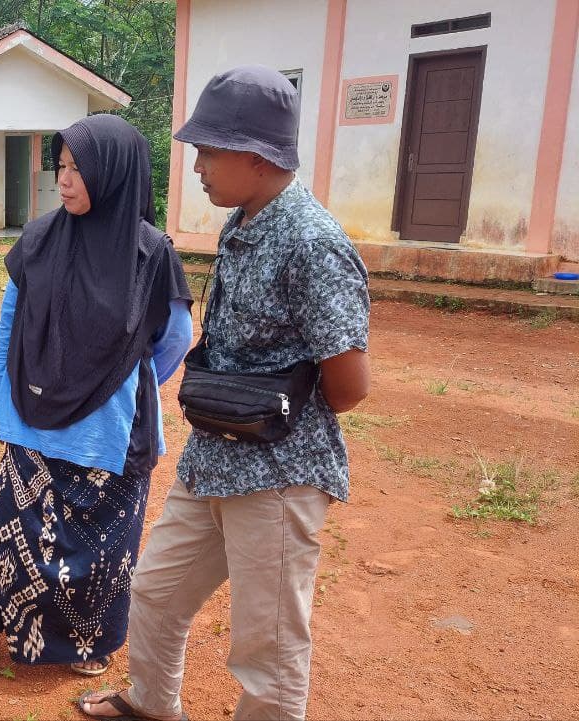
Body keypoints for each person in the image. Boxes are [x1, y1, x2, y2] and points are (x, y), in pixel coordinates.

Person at [79, 66, 371, 721]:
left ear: (255, 156)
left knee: (268, 645)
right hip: (214, 458)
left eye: (209, 151)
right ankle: (152, 704)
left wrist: (268, 398)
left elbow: (349, 386)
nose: (199, 166)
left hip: (278, 472)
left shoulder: (313, 243)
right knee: (155, 589)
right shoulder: (242, 220)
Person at [0, 114, 194, 690]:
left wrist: (128, 379)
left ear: (114, 175)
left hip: (109, 431)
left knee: (100, 546)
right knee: (7, 527)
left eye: (79, 170)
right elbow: (9, 326)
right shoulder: (40, 238)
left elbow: (175, 338)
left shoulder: (151, 255)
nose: (64, 180)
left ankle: (87, 642)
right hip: (33, 415)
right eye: (62, 167)